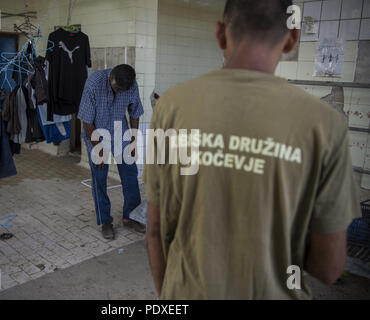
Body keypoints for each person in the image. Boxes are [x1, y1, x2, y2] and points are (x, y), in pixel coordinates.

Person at [144, 0, 361, 300]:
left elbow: (155, 229)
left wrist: (167, 296)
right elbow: (328, 267)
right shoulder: (325, 124)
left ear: (220, 34)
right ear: (292, 38)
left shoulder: (170, 106)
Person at [78, 64, 146, 240]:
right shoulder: (94, 83)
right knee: (100, 177)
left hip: (119, 130)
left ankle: (131, 216)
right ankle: (105, 221)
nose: (119, 92)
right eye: (116, 89)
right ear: (111, 78)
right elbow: (86, 121)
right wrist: (98, 149)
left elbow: (135, 112)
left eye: (122, 90)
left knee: (130, 174)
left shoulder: (131, 85)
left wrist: (133, 140)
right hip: (95, 132)